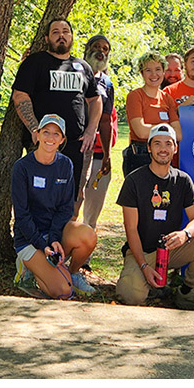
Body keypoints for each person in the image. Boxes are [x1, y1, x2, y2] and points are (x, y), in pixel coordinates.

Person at [115, 123, 194, 309]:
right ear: (148, 147)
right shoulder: (134, 180)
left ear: (175, 148)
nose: (163, 149)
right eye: (157, 144)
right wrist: (143, 267)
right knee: (130, 295)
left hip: (171, 250)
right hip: (143, 252)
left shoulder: (182, 180)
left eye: (168, 144)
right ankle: (149, 281)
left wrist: (185, 234)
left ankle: (187, 293)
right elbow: (131, 230)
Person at [11, 18, 103, 196]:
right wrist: (34, 129)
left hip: (74, 144)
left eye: (65, 31)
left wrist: (91, 130)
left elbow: (95, 99)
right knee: (38, 196)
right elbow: (20, 95)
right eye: (55, 32)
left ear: (71, 36)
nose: (61, 35)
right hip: (43, 143)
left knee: (67, 198)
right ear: (46, 38)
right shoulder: (35, 62)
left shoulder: (83, 67)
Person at [11, 114, 98, 298]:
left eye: (56, 134)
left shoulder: (65, 164)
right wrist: (43, 245)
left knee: (88, 235)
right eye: (46, 132)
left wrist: (54, 238)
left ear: (62, 140)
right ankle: (26, 269)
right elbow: (22, 216)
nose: (50, 138)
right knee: (64, 291)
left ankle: (72, 273)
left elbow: (65, 208)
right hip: (29, 238)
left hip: (53, 234)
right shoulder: (22, 167)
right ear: (37, 135)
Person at [74, 35, 115, 237]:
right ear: (87, 48)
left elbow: (106, 121)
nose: (101, 51)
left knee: (82, 196)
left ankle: (79, 248)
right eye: (96, 47)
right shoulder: (73, 70)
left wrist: (107, 154)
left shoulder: (106, 83)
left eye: (105, 49)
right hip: (68, 142)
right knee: (70, 194)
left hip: (90, 147)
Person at [124, 52, 181, 176]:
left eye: (158, 69)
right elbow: (141, 131)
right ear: (142, 73)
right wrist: (166, 129)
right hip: (140, 157)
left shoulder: (167, 98)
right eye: (148, 70)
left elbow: (178, 134)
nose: (154, 74)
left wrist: (154, 129)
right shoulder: (135, 96)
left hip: (164, 158)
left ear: (163, 72)